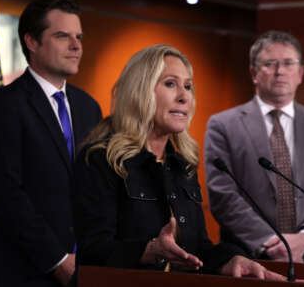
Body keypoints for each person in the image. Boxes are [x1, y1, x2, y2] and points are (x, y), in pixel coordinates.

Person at [72, 44, 284, 281]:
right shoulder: (101, 159)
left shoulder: (182, 165)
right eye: (170, 84)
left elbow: (198, 248)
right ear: (139, 90)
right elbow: (92, 252)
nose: (184, 97)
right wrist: (150, 250)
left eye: (188, 86)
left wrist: (232, 259)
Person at [0, 0, 102, 287]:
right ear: (32, 42)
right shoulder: (4, 105)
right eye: (62, 36)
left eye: (79, 36)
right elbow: (5, 194)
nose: (77, 45)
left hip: (82, 269)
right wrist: (57, 259)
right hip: (19, 272)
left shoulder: (89, 107)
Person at [204, 30, 304, 265]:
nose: (280, 72)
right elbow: (222, 194)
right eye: (270, 64)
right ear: (253, 73)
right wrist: (270, 242)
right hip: (250, 260)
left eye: (288, 63)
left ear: (301, 73)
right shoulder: (223, 125)